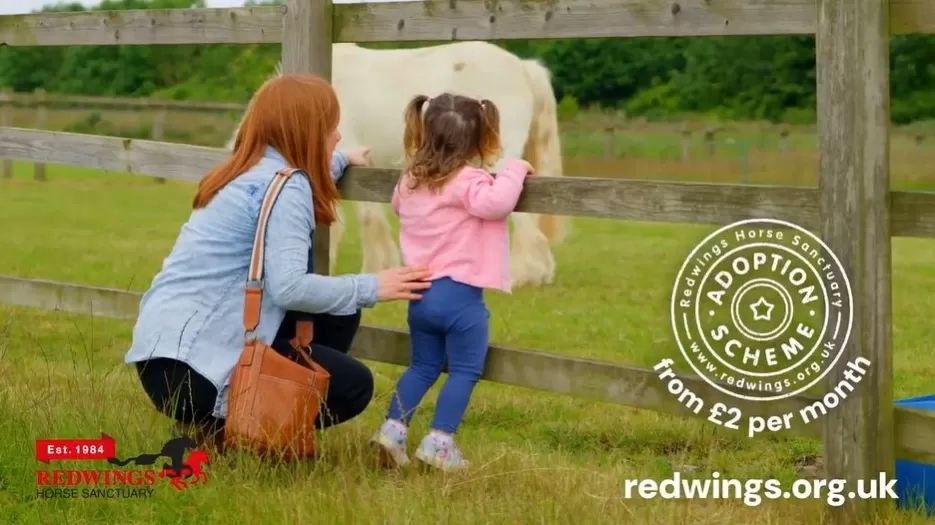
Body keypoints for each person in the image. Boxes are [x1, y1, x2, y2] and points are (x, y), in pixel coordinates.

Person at [124, 74, 433, 449]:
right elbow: (288, 288)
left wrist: (338, 161)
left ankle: (213, 426)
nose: (337, 135)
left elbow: (294, 175)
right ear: (304, 131)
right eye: (330, 127)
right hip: (198, 372)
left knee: (339, 312)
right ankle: (235, 429)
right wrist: (373, 286)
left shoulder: (243, 170)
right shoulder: (288, 187)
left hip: (163, 360)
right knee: (354, 386)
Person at [370, 93, 533, 471]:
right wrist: (515, 168)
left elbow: (397, 205)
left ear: (425, 133)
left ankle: (392, 430)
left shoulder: (410, 180)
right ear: (478, 139)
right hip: (459, 296)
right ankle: (439, 442)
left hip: (420, 295)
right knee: (464, 370)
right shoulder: (469, 181)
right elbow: (497, 203)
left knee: (422, 367)